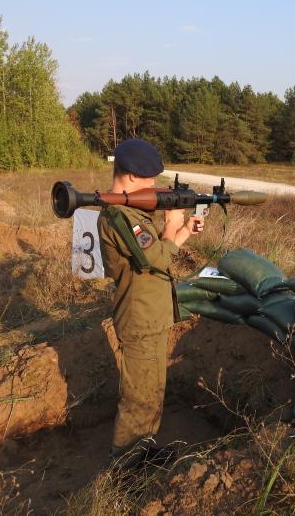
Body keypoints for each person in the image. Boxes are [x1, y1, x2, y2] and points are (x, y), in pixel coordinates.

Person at [97, 138, 204, 466]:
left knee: (153, 390)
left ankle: (143, 449)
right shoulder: (120, 215)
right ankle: (125, 469)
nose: (155, 188)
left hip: (153, 315)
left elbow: (160, 252)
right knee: (138, 397)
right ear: (130, 177)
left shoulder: (133, 212)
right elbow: (157, 256)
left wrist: (184, 229)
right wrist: (171, 225)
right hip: (139, 319)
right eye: (149, 180)